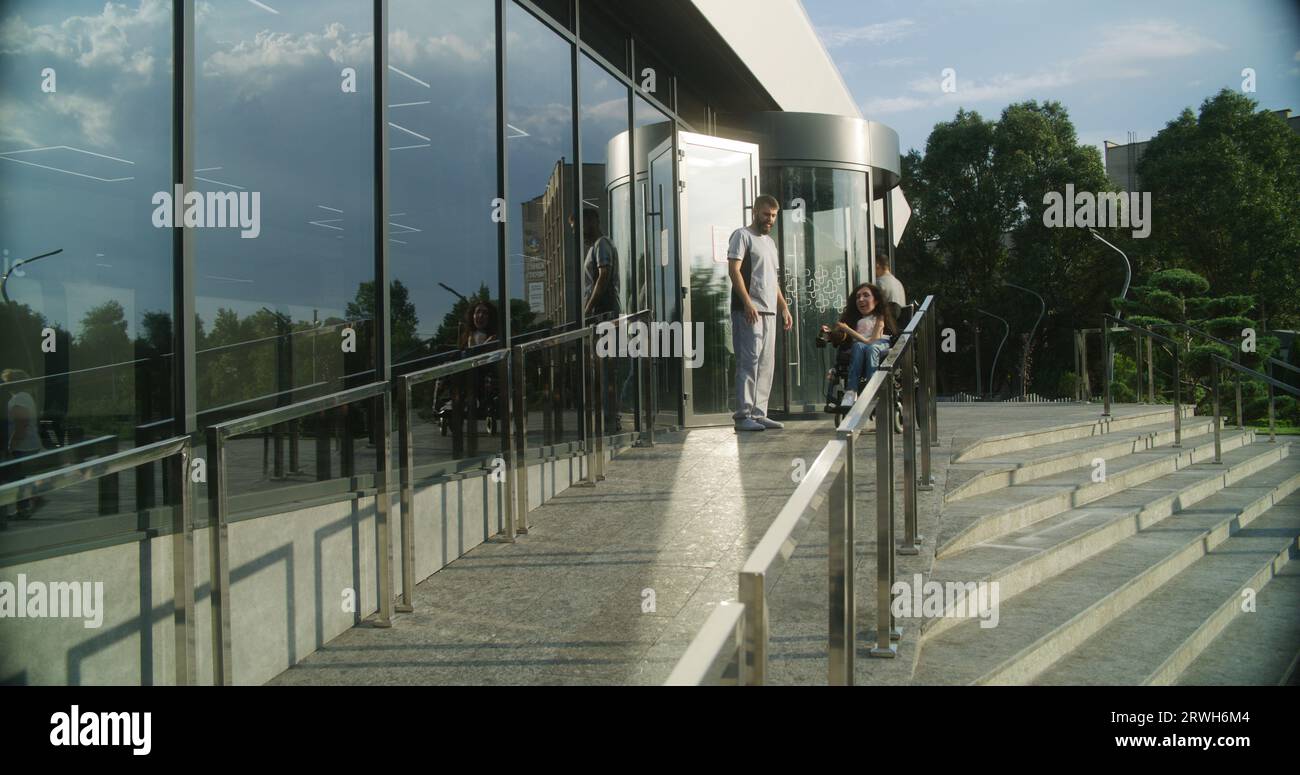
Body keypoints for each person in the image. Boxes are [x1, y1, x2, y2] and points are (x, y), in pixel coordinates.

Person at [728, 194, 792, 431]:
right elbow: (733, 270)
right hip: (748, 309)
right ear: (755, 211)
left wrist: (784, 307)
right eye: (766, 214)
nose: (770, 219)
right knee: (749, 361)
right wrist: (747, 302)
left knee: (766, 362)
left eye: (774, 215)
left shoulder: (770, 243)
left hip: (769, 310)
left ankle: (759, 412)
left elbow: (772, 280)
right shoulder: (742, 236)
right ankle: (743, 416)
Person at [821, 282, 897, 408]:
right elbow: (846, 338)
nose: (861, 299)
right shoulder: (854, 319)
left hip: (879, 343)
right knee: (857, 346)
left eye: (866, 295)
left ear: (876, 300)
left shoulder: (879, 317)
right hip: (861, 348)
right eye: (858, 297)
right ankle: (851, 391)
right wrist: (830, 333)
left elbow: (871, 341)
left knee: (870, 348)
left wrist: (848, 329)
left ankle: (871, 388)